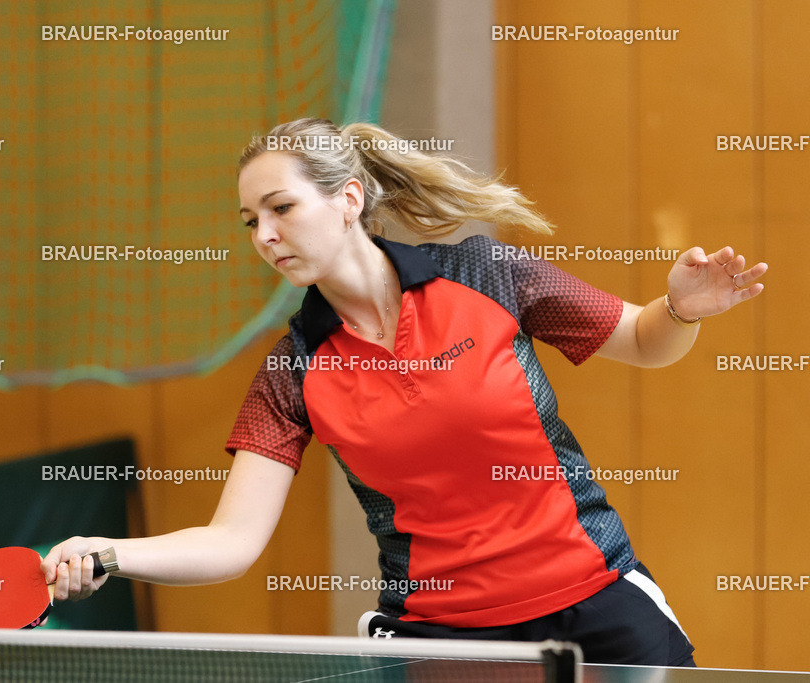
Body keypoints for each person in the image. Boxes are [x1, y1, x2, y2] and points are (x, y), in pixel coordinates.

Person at [42, 118, 767, 666]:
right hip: (447, 639)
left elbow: (642, 339)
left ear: (349, 198)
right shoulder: (292, 369)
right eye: (249, 222)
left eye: (280, 208)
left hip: (598, 602)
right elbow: (232, 541)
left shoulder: (488, 274)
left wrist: (680, 311)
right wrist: (108, 550)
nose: (263, 235)